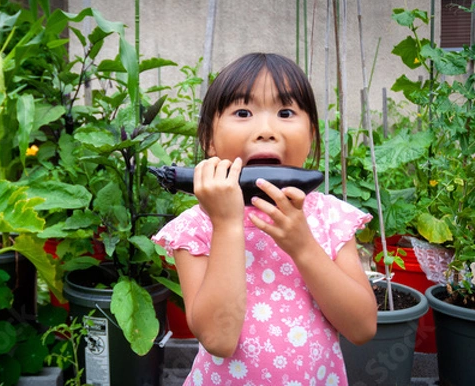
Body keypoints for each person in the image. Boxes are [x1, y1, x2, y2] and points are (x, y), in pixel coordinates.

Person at [152, 52, 377, 385]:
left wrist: (303, 246)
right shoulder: (197, 227)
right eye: (243, 112)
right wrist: (227, 224)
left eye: (285, 113)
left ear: (312, 134)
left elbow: (362, 328)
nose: (266, 130)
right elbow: (218, 339)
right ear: (209, 141)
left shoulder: (329, 218)